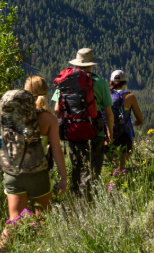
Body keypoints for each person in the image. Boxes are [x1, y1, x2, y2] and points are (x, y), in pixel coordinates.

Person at [52, 48, 114, 197]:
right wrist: (109, 132)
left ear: (76, 64)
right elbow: (109, 113)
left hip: (73, 129)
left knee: (76, 166)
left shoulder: (66, 83)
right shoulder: (99, 82)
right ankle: (89, 199)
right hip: (95, 130)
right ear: (92, 65)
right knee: (93, 166)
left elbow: (56, 110)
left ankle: (77, 197)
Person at [4, 76, 68, 221]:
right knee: (43, 221)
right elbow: (56, 150)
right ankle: (38, 244)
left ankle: (3, 244)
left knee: (14, 222)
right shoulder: (49, 119)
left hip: (13, 173)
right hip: (38, 174)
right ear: (45, 92)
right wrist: (63, 177)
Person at [105, 70, 144, 168]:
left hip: (106, 136)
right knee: (121, 168)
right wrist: (131, 123)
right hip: (123, 137)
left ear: (111, 82)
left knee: (112, 166)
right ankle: (119, 182)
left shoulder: (105, 96)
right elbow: (140, 120)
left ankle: (111, 182)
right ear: (124, 82)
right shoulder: (130, 97)